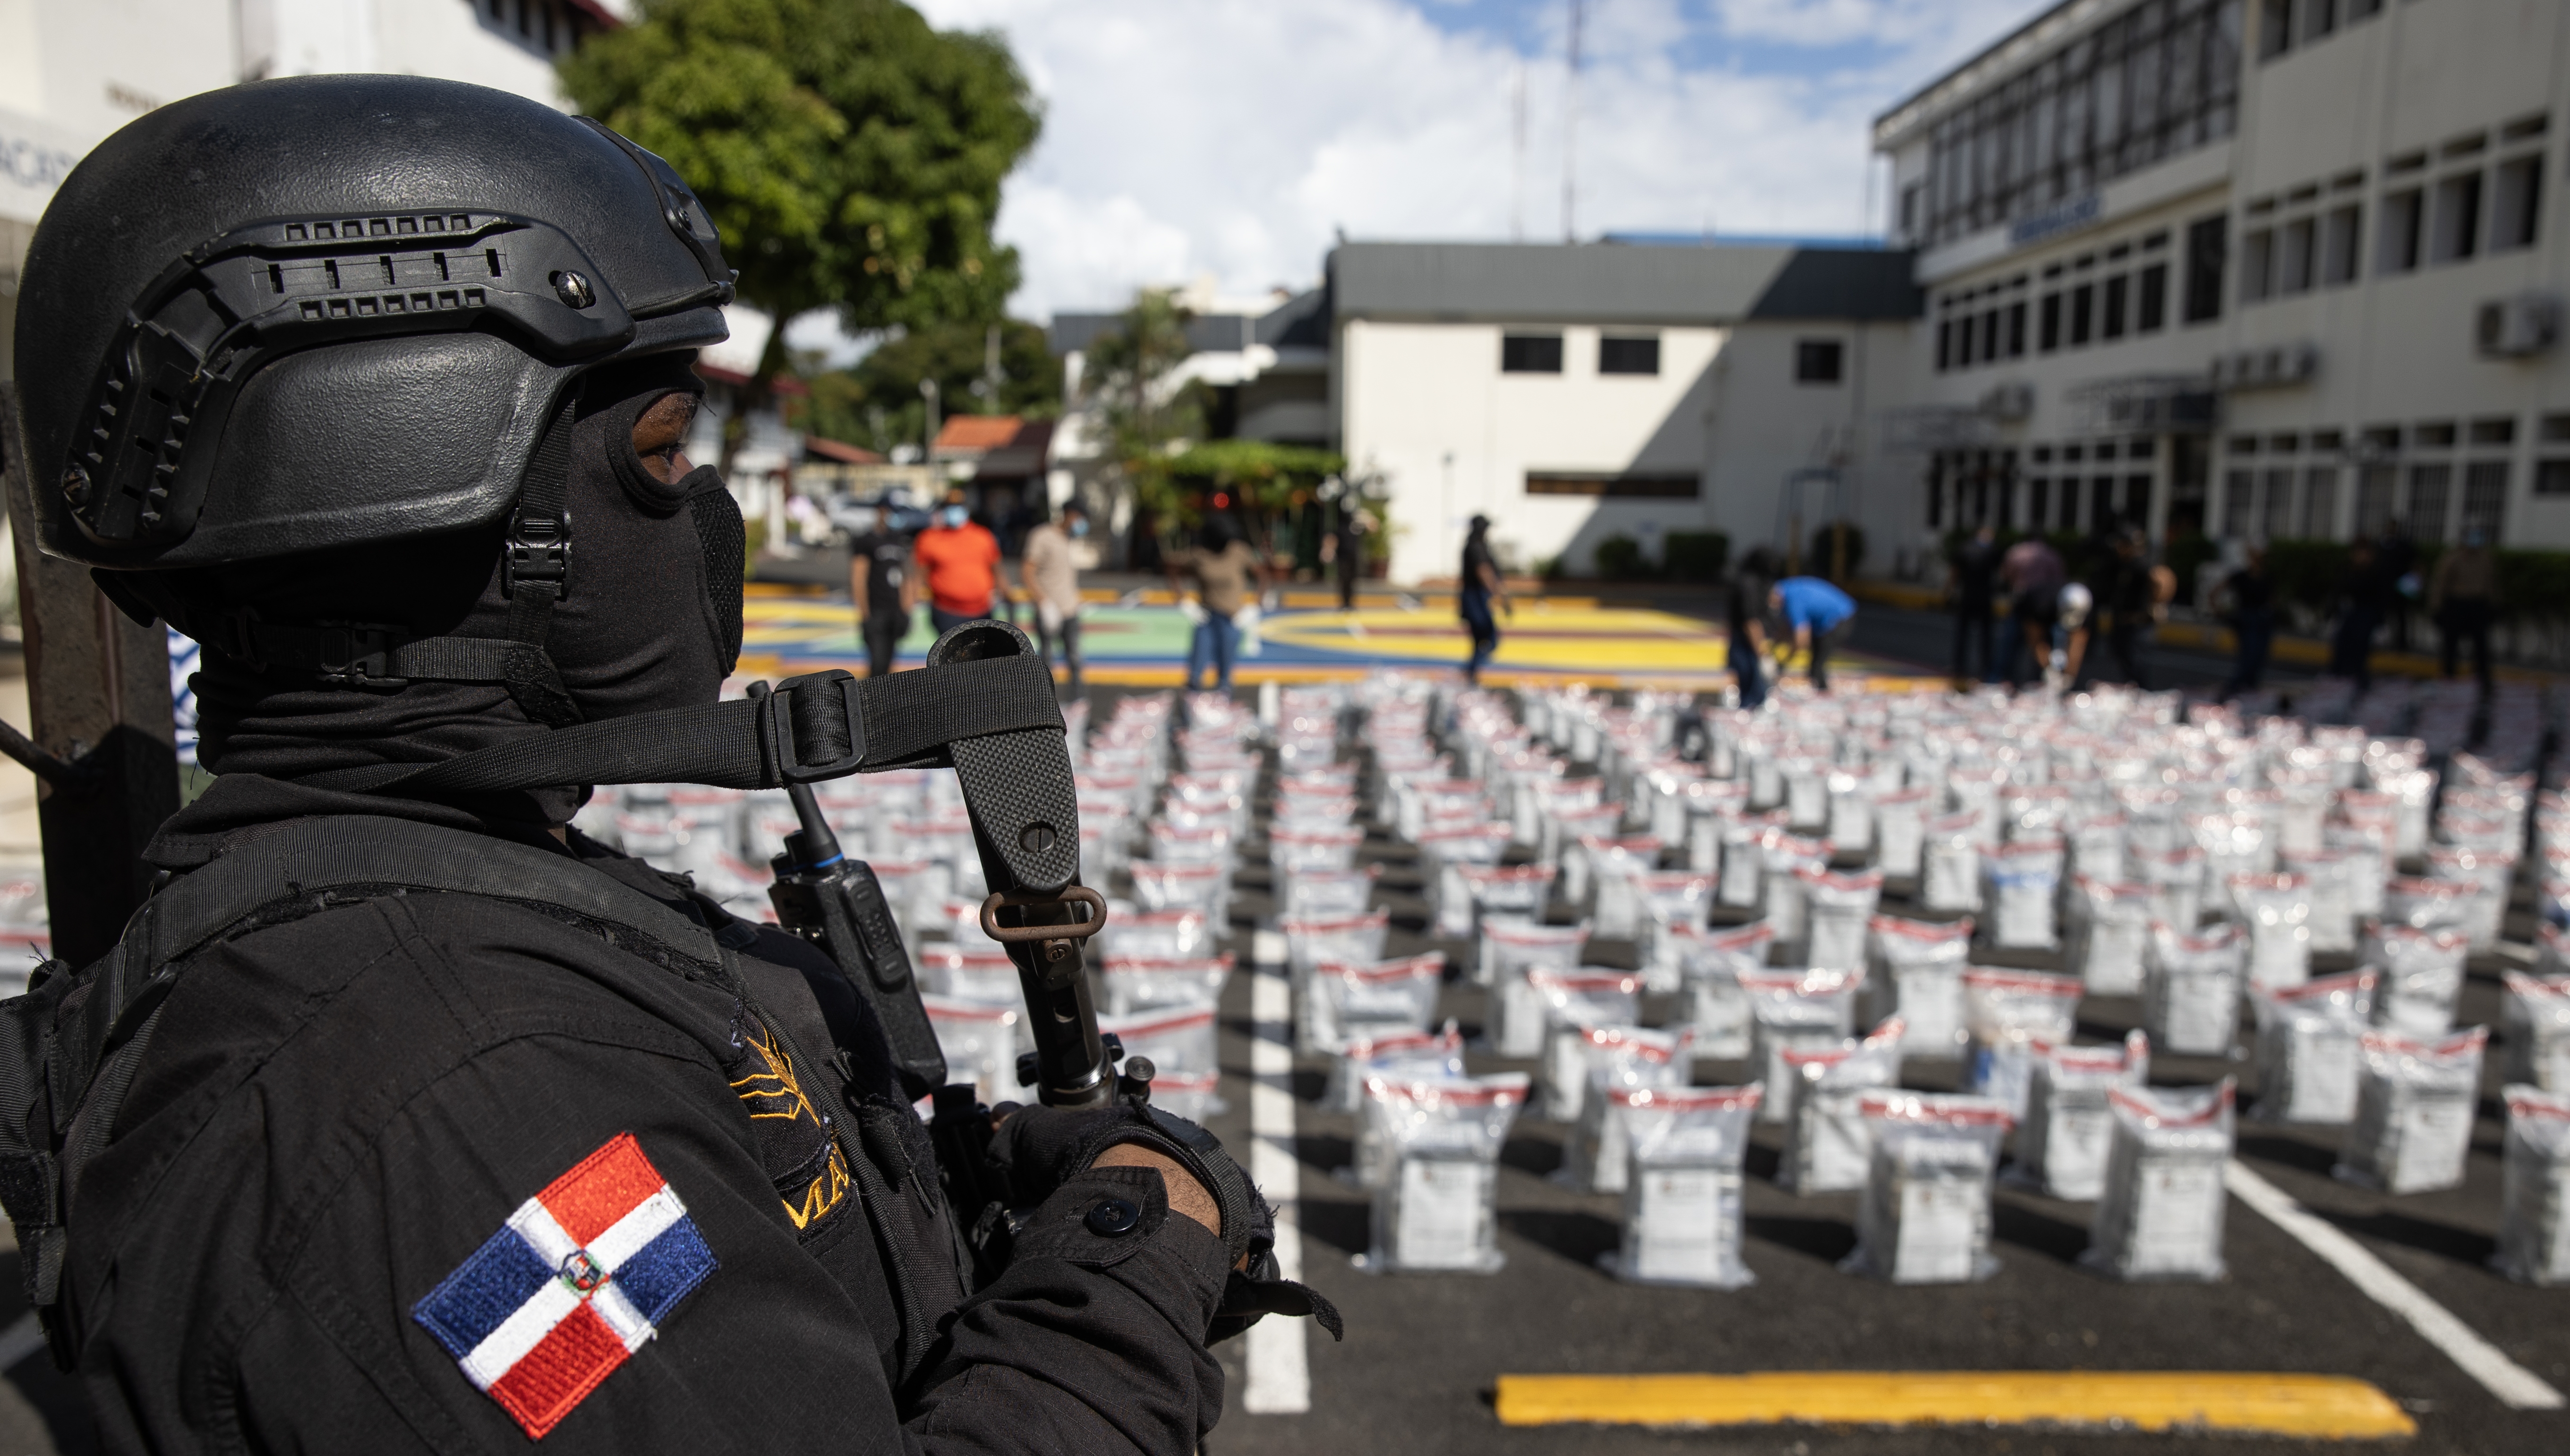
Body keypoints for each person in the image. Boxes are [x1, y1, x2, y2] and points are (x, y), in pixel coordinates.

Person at [2, 76, 1281, 1453]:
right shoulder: (450, 1117)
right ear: (426, 488)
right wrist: (1137, 1250)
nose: (699, 513)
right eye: (662, 454)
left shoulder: (453, 895)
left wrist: (946, 1198)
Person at [1166, 515, 1264, 693]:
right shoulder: (1200, 554)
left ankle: (1221, 709)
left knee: (1225, 677)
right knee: (1195, 675)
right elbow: (1173, 572)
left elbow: (1263, 577)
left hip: (1232, 618)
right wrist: (1183, 602)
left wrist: (1256, 605)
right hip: (1206, 617)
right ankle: (1193, 710)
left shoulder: (1239, 552)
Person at [1017, 500, 1088, 699]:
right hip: (1049, 611)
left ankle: (1079, 704)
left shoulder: (1069, 539)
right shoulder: (1043, 536)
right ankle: (1045, 704)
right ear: (1070, 515)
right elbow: (1027, 572)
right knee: (1047, 661)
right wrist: (1043, 602)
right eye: (1080, 518)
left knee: (1075, 660)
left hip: (1070, 610)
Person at [911, 486, 1003, 633]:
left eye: (958, 506)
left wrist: (1008, 596)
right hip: (947, 612)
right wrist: (910, 608)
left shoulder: (983, 536)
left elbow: (997, 570)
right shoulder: (929, 539)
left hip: (982, 611)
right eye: (950, 507)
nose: (954, 511)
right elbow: (918, 575)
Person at [2076, 528, 2157, 690]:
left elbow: (2161, 580)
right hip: (2120, 621)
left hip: (2136, 623)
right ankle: (2135, 690)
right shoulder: (2118, 564)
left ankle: (2144, 693)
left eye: (2123, 545)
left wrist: (2155, 606)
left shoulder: (2141, 565)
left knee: (2135, 661)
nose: (2119, 549)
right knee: (2122, 656)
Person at [847, 503, 915, 679]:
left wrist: (907, 609)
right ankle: (872, 702)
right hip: (876, 608)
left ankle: (883, 700)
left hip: (895, 608)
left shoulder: (899, 539)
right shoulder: (866, 541)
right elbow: (859, 577)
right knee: (877, 663)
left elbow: (907, 576)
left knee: (889, 662)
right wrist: (864, 612)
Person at [2430, 526, 2501, 689]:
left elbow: (2491, 583)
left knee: (2481, 642)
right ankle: (2449, 674)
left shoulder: (2485, 559)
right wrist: (2436, 607)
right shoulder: (2453, 558)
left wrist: (2495, 604)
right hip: (2457, 604)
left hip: (2478, 604)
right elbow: (2440, 584)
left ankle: (2482, 675)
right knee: (2451, 642)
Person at [1998, 535, 2066, 691]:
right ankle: (2041, 680)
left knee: (2012, 644)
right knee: (2044, 644)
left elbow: (2006, 575)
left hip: (2023, 601)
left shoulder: (2017, 552)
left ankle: (2003, 679)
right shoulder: (2051, 555)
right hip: (2048, 605)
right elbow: (2059, 579)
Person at [1767, 575, 1858, 693]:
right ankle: (1820, 689)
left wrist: (1783, 664)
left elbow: (1802, 639)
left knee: (1817, 664)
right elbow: (1787, 628)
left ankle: (1824, 695)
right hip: (1834, 616)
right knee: (1814, 666)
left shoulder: (1792, 600)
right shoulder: (1785, 588)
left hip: (1841, 617)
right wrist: (1772, 651)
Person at [2331, 536, 2394, 689]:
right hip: (2350, 617)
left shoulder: (2376, 573)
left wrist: (2380, 624)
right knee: (2342, 654)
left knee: (2359, 658)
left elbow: (2382, 599)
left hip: (2367, 617)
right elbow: (2339, 591)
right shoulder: (2349, 570)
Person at [2220, 545, 2277, 700]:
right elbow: (2216, 592)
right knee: (2248, 656)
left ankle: (2249, 690)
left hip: (2263, 621)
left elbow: (2272, 600)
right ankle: (2233, 690)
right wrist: (2223, 613)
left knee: (2259, 657)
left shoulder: (2267, 577)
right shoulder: (2241, 577)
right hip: (2247, 619)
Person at [1458, 514, 1510, 685]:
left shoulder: (1475, 546)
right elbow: (1484, 571)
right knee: (1489, 638)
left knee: (1479, 640)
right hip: (1475, 598)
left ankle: (1471, 673)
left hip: (1474, 597)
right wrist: (1500, 595)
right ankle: (1470, 672)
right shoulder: (1476, 548)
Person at [1948, 524, 2001, 685]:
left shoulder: (1965, 549)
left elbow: (1955, 573)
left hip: (1968, 596)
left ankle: (1959, 667)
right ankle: (1986, 668)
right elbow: (2001, 573)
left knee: (1963, 634)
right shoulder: (1992, 551)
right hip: (1985, 597)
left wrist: (1949, 591)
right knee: (1986, 636)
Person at [1725, 546, 1776, 709]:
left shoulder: (1747, 581)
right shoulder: (1750, 585)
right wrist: (1762, 654)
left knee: (1750, 684)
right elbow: (1751, 622)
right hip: (1746, 641)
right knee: (1754, 687)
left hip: (1743, 638)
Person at [1323, 500, 1369, 610]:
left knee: (1352, 581)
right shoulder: (1340, 526)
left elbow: (1373, 527)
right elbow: (1332, 539)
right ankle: (1343, 603)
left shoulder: (1357, 526)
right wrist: (1328, 551)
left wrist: (1366, 517)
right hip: (1343, 557)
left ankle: (1350, 603)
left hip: (1354, 557)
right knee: (1343, 580)